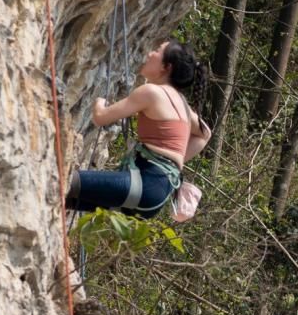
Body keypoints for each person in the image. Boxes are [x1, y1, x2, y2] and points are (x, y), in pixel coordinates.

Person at [67, 40, 213, 219]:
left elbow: (100, 117)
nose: (150, 53)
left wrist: (99, 101)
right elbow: (205, 134)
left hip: (145, 183)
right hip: (157, 194)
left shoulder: (151, 92)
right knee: (64, 198)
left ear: (166, 67)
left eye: (157, 51)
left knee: (65, 181)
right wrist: (176, 160)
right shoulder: (182, 102)